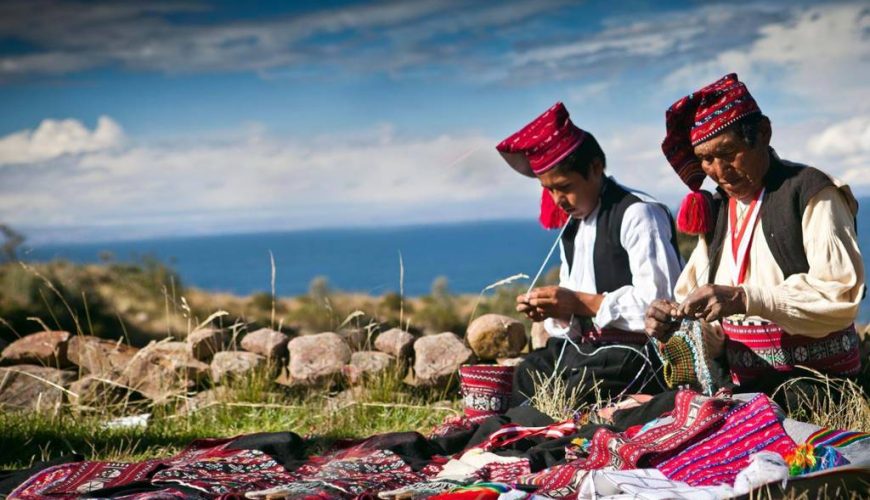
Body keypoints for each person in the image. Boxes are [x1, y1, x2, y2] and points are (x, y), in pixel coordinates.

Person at [645, 73, 865, 405]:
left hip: (817, 388)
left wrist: (745, 298)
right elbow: (710, 322)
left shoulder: (811, 193)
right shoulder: (719, 210)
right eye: (706, 159)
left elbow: (840, 296)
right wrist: (675, 323)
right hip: (745, 389)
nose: (719, 171)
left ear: (763, 134)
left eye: (728, 152)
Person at [497, 102, 683, 407]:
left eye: (565, 187)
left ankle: (536, 436)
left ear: (596, 168)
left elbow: (663, 308)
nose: (558, 200)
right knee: (529, 372)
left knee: (579, 388)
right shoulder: (572, 229)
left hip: (636, 355)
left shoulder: (639, 214)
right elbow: (574, 322)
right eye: (549, 190)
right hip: (588, 352)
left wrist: (580, 302)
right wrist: (555, 311)